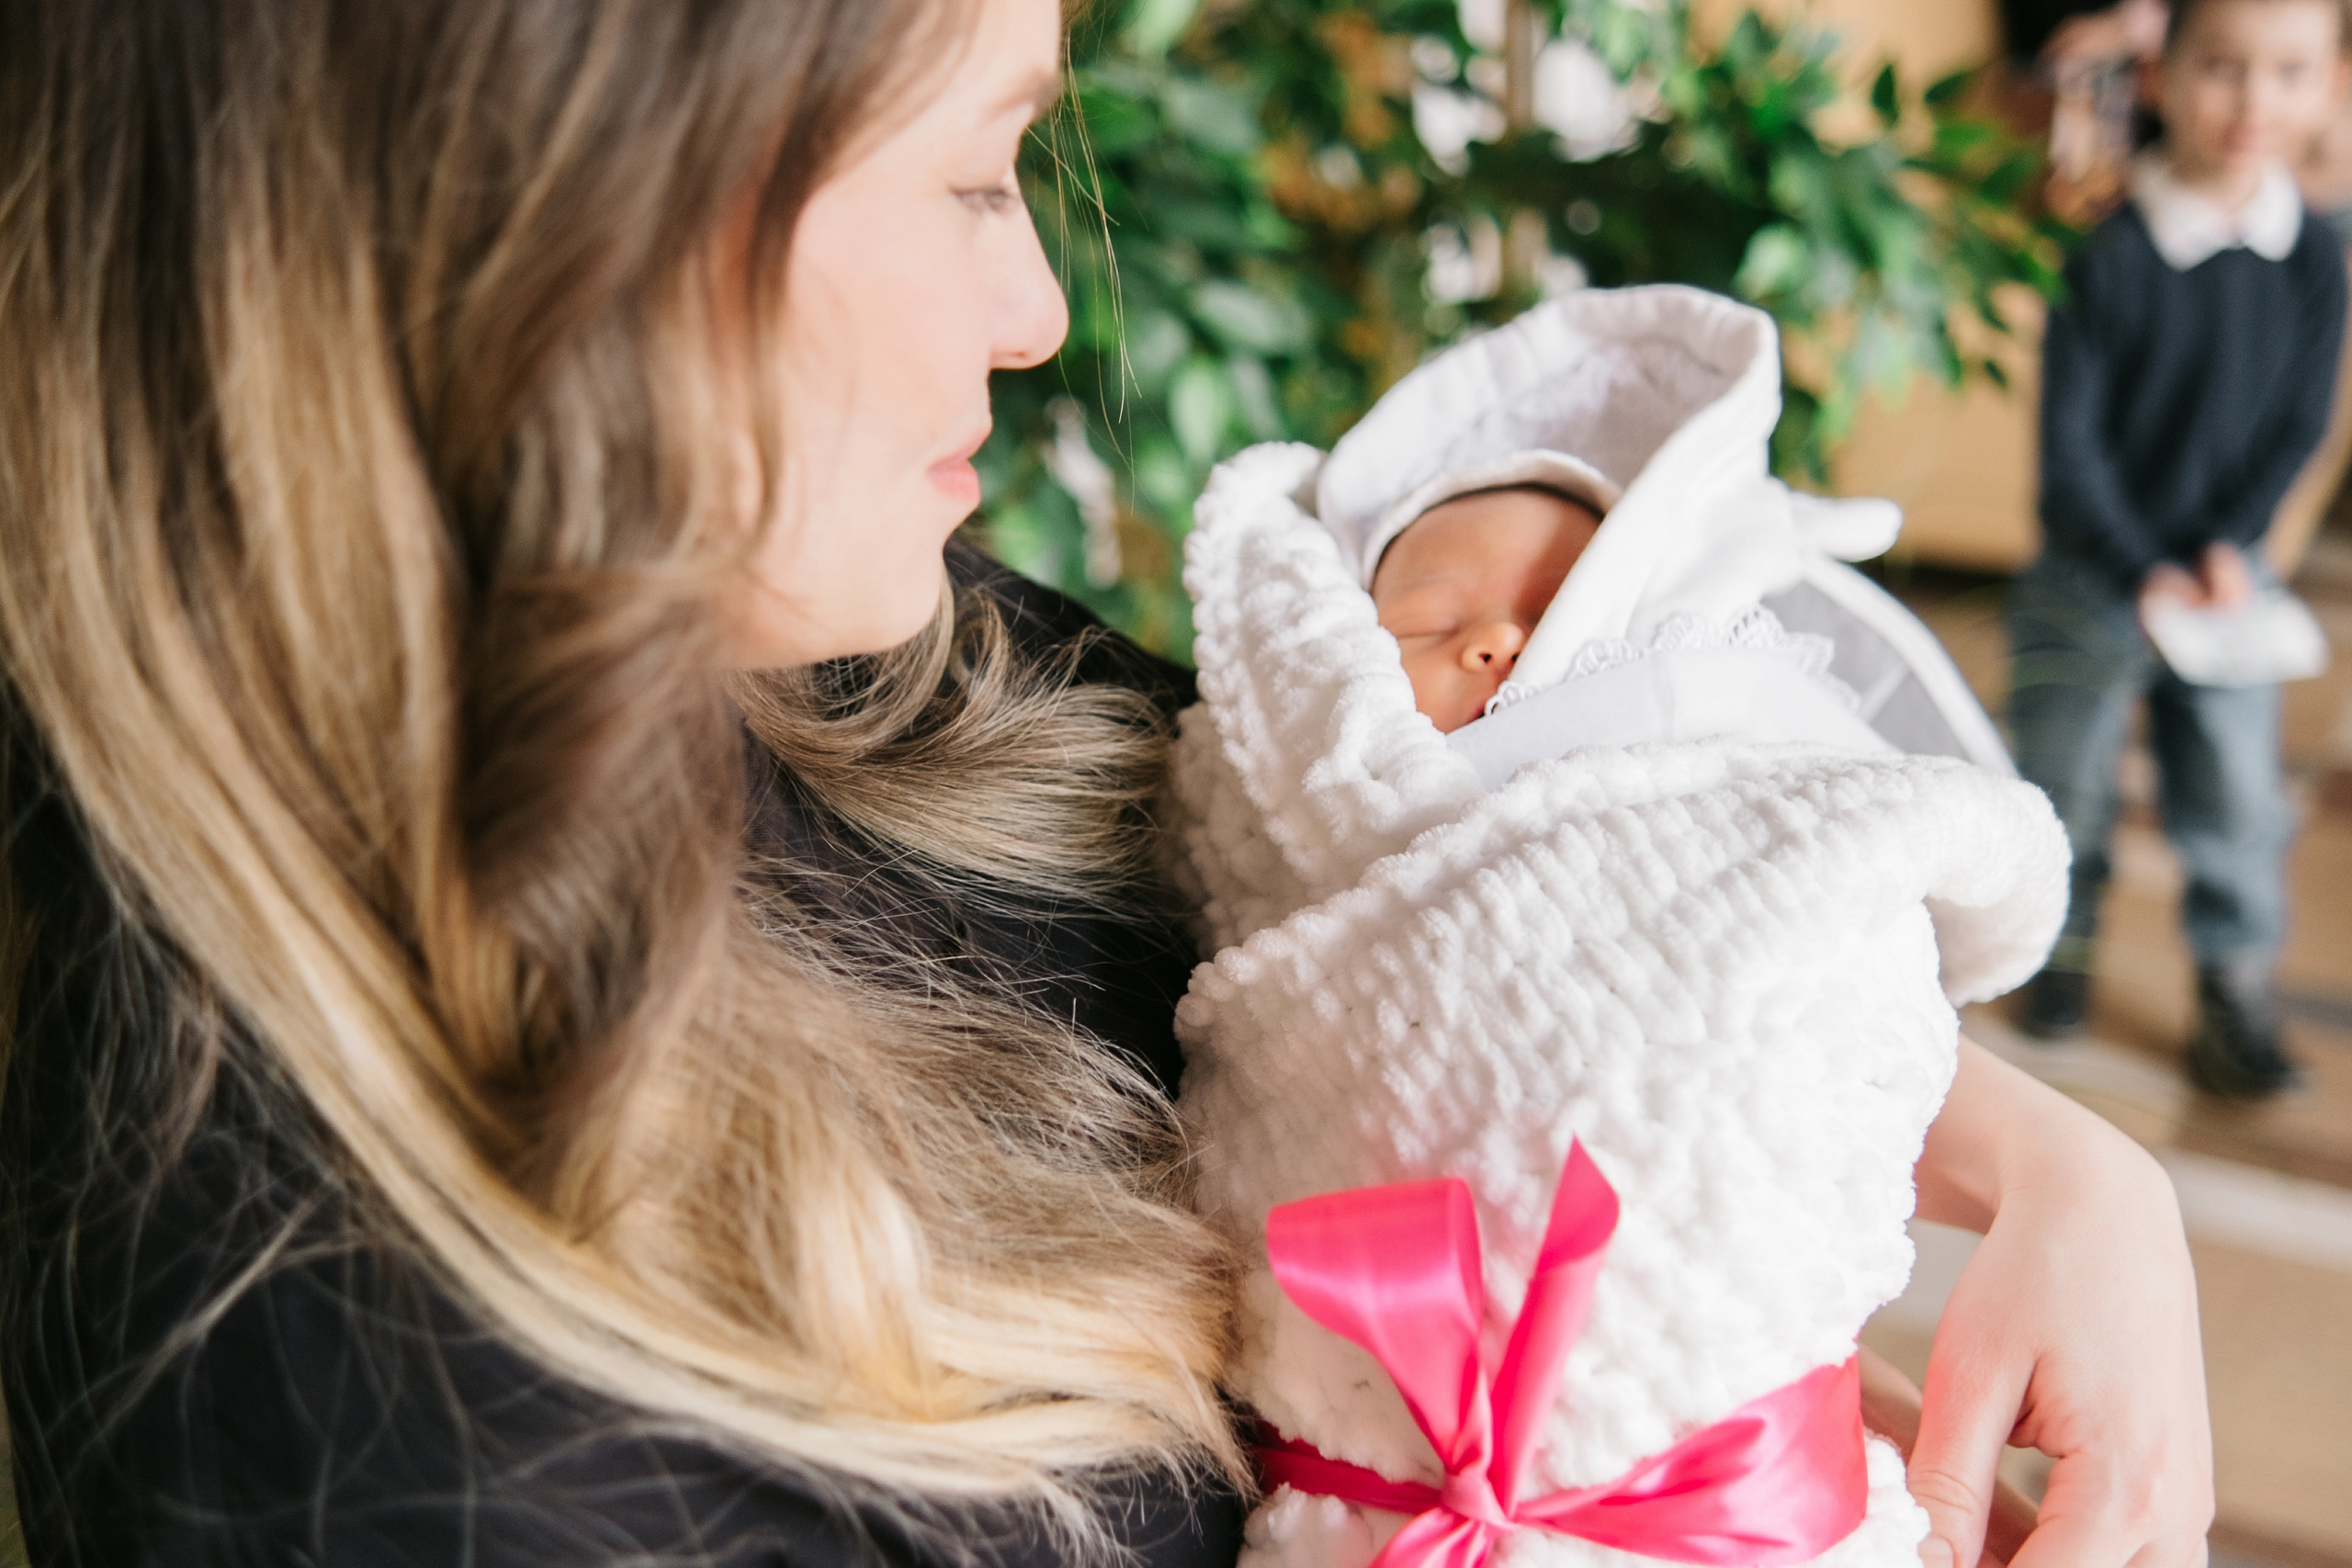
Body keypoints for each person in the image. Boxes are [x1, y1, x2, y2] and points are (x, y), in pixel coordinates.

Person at [0, 4, 2209, 1568]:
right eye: (974, 169)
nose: (1039, 307)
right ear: (551, 222)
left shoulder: (854, 643)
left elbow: (1461, 885)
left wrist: (2026, 1153)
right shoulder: (379, 1416)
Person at [2010, 0, 2351, 1102]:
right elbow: (2069, 450)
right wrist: (2137, 561)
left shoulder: (2315, 255)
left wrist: (2226, 547)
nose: (2254, 103)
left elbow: (2297, 424)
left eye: (2289, 73)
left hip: (2220, 578)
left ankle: (2232, 989)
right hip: (2091, 576)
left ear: (2329, 84)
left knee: (2236, 793)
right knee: (2062, 779)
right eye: (2222, 69)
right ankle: (2055, 954)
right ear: (2161, 76)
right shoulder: (2104, 250)